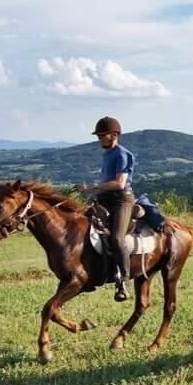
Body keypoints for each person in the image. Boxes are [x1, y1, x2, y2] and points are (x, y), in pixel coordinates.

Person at [78, 116, 135, 301]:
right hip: (104, 198)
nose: (100, 138)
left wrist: (94, 188)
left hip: (121, 200)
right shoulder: (107, 154)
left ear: (115, 135)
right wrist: (92, 193)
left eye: (103, 135)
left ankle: (124, 282)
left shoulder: (122, 154)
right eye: (99, 135)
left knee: (117, 239)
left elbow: (119, 183)